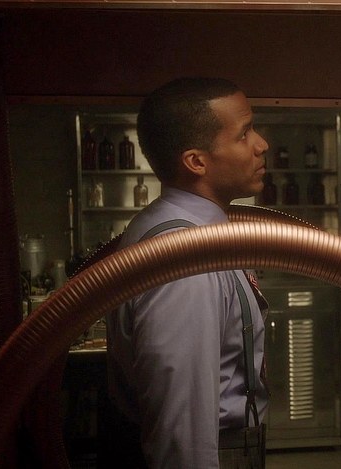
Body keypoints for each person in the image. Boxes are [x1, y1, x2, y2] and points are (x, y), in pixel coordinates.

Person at [105, 77, 270, 468]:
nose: (261, 144)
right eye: (244, 133)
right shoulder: (186, 263)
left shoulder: (193, 232)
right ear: (197, 162)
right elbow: (181, 431)